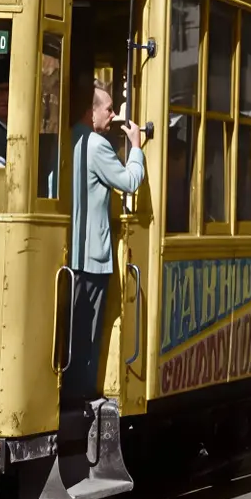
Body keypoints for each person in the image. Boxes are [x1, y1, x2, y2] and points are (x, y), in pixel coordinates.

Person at [68, 80, 145, 401]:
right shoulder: (96, 145)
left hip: (73, 251)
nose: (113, 116)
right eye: (109, 109)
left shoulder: (70, 137)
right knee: (88, 331)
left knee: (74, 328)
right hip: (93, 254)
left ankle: (72, 388)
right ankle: (83, 392)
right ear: (91, 111)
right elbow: (129, 182)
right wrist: (136, 147)